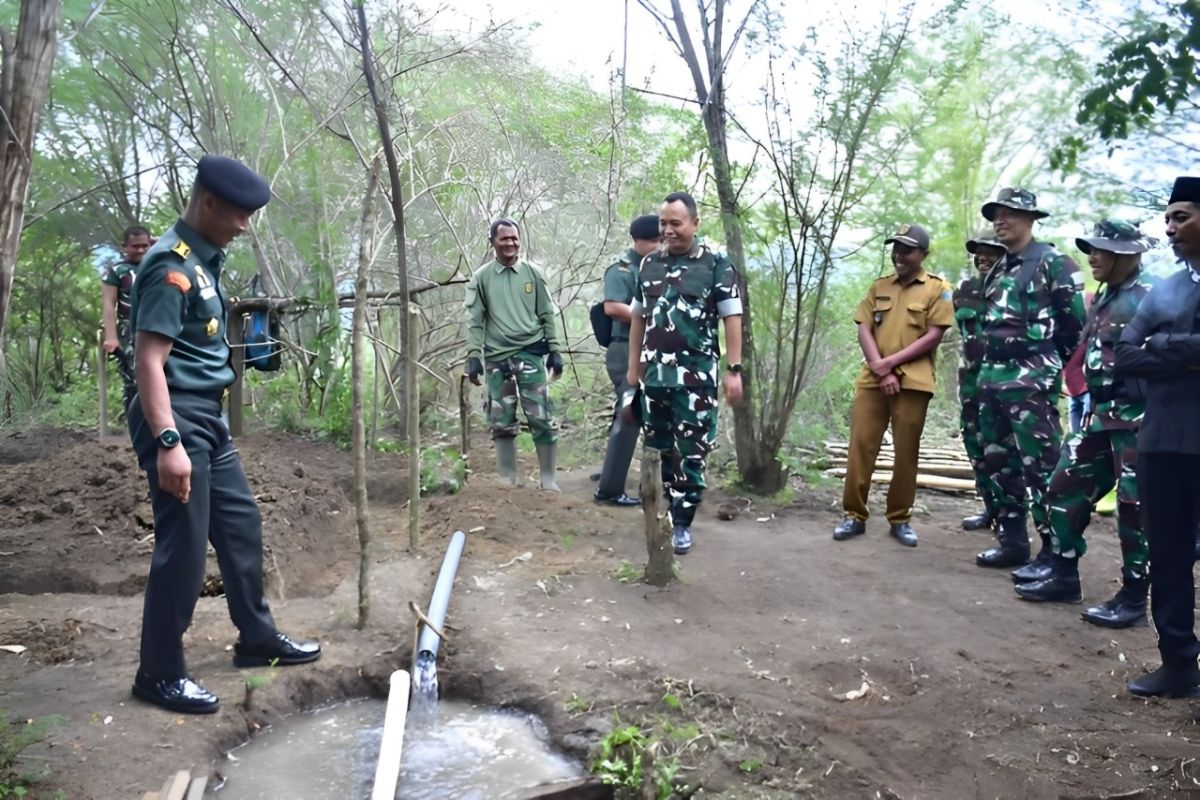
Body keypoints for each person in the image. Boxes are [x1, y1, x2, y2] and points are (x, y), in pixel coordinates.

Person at [127, 155, 320, 715]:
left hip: (205, 415)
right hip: (176, 416)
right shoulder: (169, 265)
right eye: (239, 215)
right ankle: (158, 673)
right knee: (184, 549)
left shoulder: (204, 261)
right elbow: (148, 361)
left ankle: (256, 639)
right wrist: (168, 444)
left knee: (240, 525)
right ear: (208, 203)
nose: (245, 226)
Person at [1013, 220, 1153, 630]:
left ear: (1127, 254)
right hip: (1098, 417)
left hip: (1137, 422)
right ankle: (1063, 571)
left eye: (1101, 250)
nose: (1092, 256)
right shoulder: (1108, 296)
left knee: (1134, 511)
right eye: (1090, 249)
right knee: (1063, 487)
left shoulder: (1149, 298)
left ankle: (1133, 598)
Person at [1115, 176, 1200, 697]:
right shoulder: (1167, 288)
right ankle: (1178, 666)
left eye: (1182, 217)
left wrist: (1164, 346)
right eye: (1167, 219)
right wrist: (1188, 353)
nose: (1170, 229)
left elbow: (1146, 349)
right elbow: (1124, 354)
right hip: (1163, 442)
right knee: (1167, 555)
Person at [974, 188, 1085, 569]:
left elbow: (1074, 326)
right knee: (999, 463)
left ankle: (1053, 552)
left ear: (1031, 219)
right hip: (992, 379)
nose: (999, 221)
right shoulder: (1001, 266)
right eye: (996, 215)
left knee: (1040, 467)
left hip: (1032, 380)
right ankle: (1013, 542)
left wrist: (1058, 371)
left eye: (1008, 214)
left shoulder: (1054, 263)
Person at [626, 191, 742, 556]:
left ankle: (683, 523)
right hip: (656, 378)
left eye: (676, 223)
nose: (668, 230)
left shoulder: (716, 265)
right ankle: (660, 515)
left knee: (690, 454)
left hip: (696, 380)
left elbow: (732, 318)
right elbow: (638, 318)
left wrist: (733, 370)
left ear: (694, 223)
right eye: (663, 223)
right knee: (658, 450)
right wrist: (634, 367)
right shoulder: (648, 265)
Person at [833, 224, 953, 547]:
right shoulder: (879, 287)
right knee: (860, 446)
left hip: (913, 383)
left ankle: (900, 518)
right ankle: (853, 516)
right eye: (896, 248)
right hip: (874, 380)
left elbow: (934, 335)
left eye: (907, 249)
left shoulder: (938, 289)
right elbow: (864, 328)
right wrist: (881, 369)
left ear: (923, 255)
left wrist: (891, 365)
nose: (899, 254)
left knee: (906, 452)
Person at [465, 218, 566, 490]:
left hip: (531, 353)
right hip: (497, 357)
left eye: (514, 238)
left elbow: (547, 313)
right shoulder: (481, 278)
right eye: (503, 239)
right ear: (493, 243)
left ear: (519, 240)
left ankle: (548, 478)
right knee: (501, 418)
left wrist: (555, 350)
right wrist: (474, 356)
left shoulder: (533, 274)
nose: (510, 243)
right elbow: (475, 320)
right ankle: (507, 479)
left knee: (540, 415)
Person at [593, 214, 661, 507]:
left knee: (627, 413)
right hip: (624, 349)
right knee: (629, 414)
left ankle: (611, 473)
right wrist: (651, 315)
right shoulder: (623, 269)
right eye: (656, 241)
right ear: (640, 241)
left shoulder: (655, 267)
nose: (661, 245)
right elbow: (612, 307)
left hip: (646, 349)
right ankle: (609, 491)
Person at [956, 231, 1007, 532]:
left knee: (1001, 453)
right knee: (975, 448)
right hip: (970, 385)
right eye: (979, 251)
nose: (983, 257)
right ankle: (989, 509)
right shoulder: (964, 289)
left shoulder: (1013, 293)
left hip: (1002, 387)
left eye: (992, 251)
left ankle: (1009, 518)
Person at [102, 225, 153, 411]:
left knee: (164, 374)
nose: (140, 250)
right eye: (135, 246)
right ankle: (137, 422)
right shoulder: (117, 270)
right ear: (124, 247)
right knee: (135, 377)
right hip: (129, 327)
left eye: (144, 246)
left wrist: (154, 241)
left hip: (158, 325)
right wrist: (111, 336)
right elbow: (109, 304)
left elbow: (180, 242)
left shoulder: (157, 264)